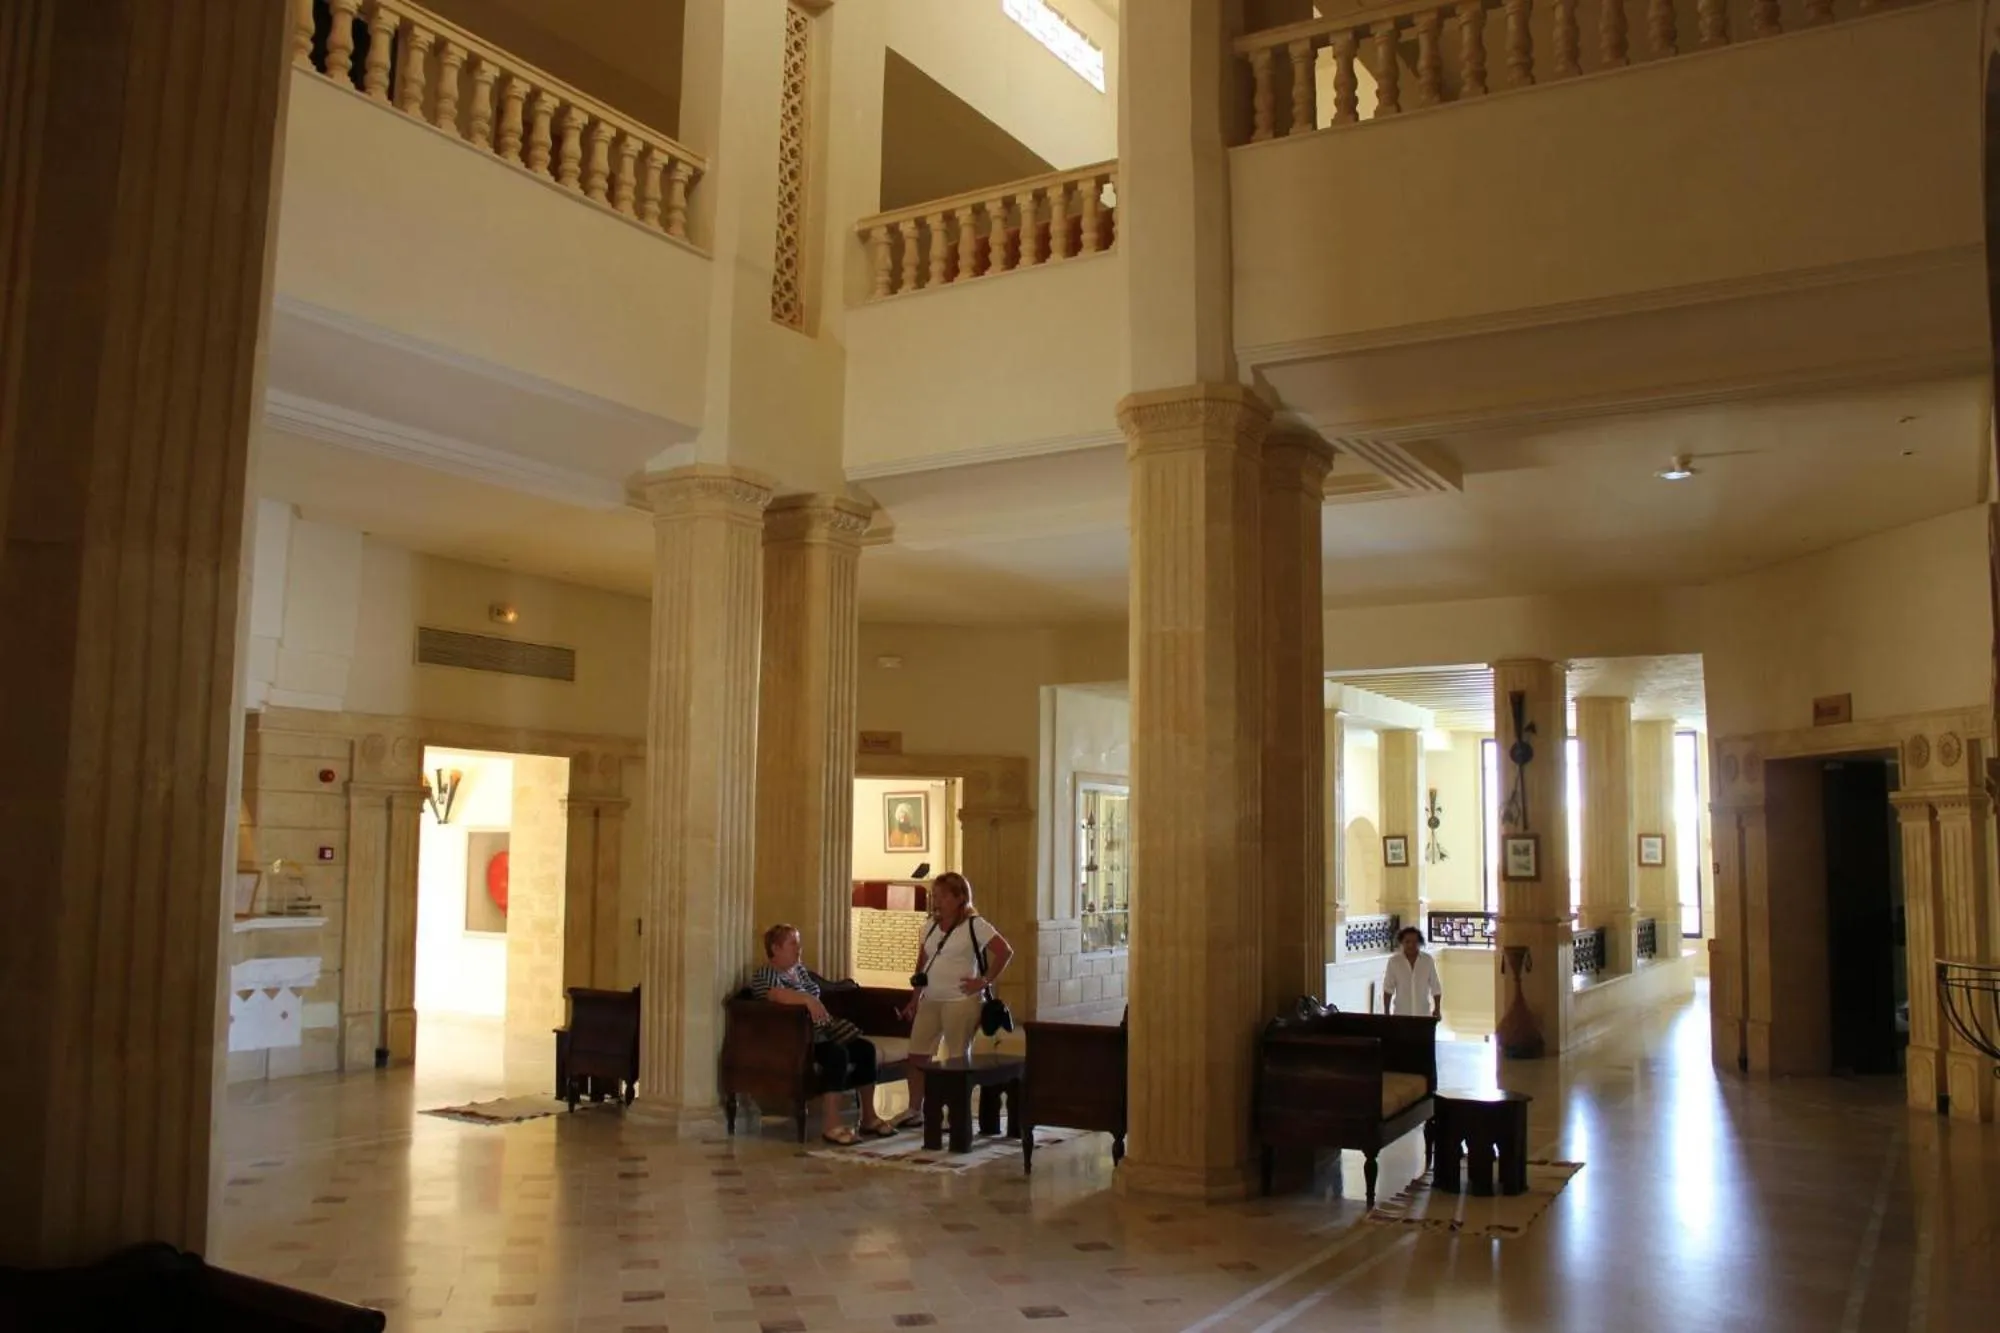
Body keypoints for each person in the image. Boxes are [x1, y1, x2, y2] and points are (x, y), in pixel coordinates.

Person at [749, 923, 894, 1145]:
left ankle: (869, 1117)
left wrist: (811, 1000)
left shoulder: (800, 971)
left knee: (865, 1050)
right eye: (793, 943)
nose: (799, 949)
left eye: (798, 943)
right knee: (837, 1055)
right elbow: (776, 995)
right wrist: (807, 999)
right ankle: (831, 1125)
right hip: (795, 1040)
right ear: (776, 948)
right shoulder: (766, 973)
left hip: (821, 1033)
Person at [896, 871, 1012, 1130]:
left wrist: (984, 980)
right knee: (917, 1055)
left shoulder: (975, 925)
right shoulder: (929, 927)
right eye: (933, 896)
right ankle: (915, 1110)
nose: (936, 901)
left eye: (942, 896)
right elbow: (922, 963)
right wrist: (915, 997)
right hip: (931, 999)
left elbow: (1005, 951)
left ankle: (956, 1113)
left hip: (960, 1001)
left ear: (959, 898)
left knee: (957, 1058)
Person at [1382, 925, 1443, 1019]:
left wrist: (1437, 1009)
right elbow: (1388, 989)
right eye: (1407, 942)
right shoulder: (1394, 962)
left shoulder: (1427, 960)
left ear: (1419, 943)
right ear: (1401, 942)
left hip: (1423, 1016)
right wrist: (1386, 1012)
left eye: (1415, 942)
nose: (1411, 945)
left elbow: (1436, 987)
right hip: (1401, 1016)